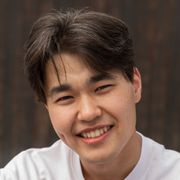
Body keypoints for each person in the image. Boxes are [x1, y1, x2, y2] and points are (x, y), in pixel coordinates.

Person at [1, 8, 180, 180]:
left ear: (135, 85)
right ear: (47, 107)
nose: (88, 113)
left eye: (102, 88)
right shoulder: (25, 175)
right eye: (65, 98)